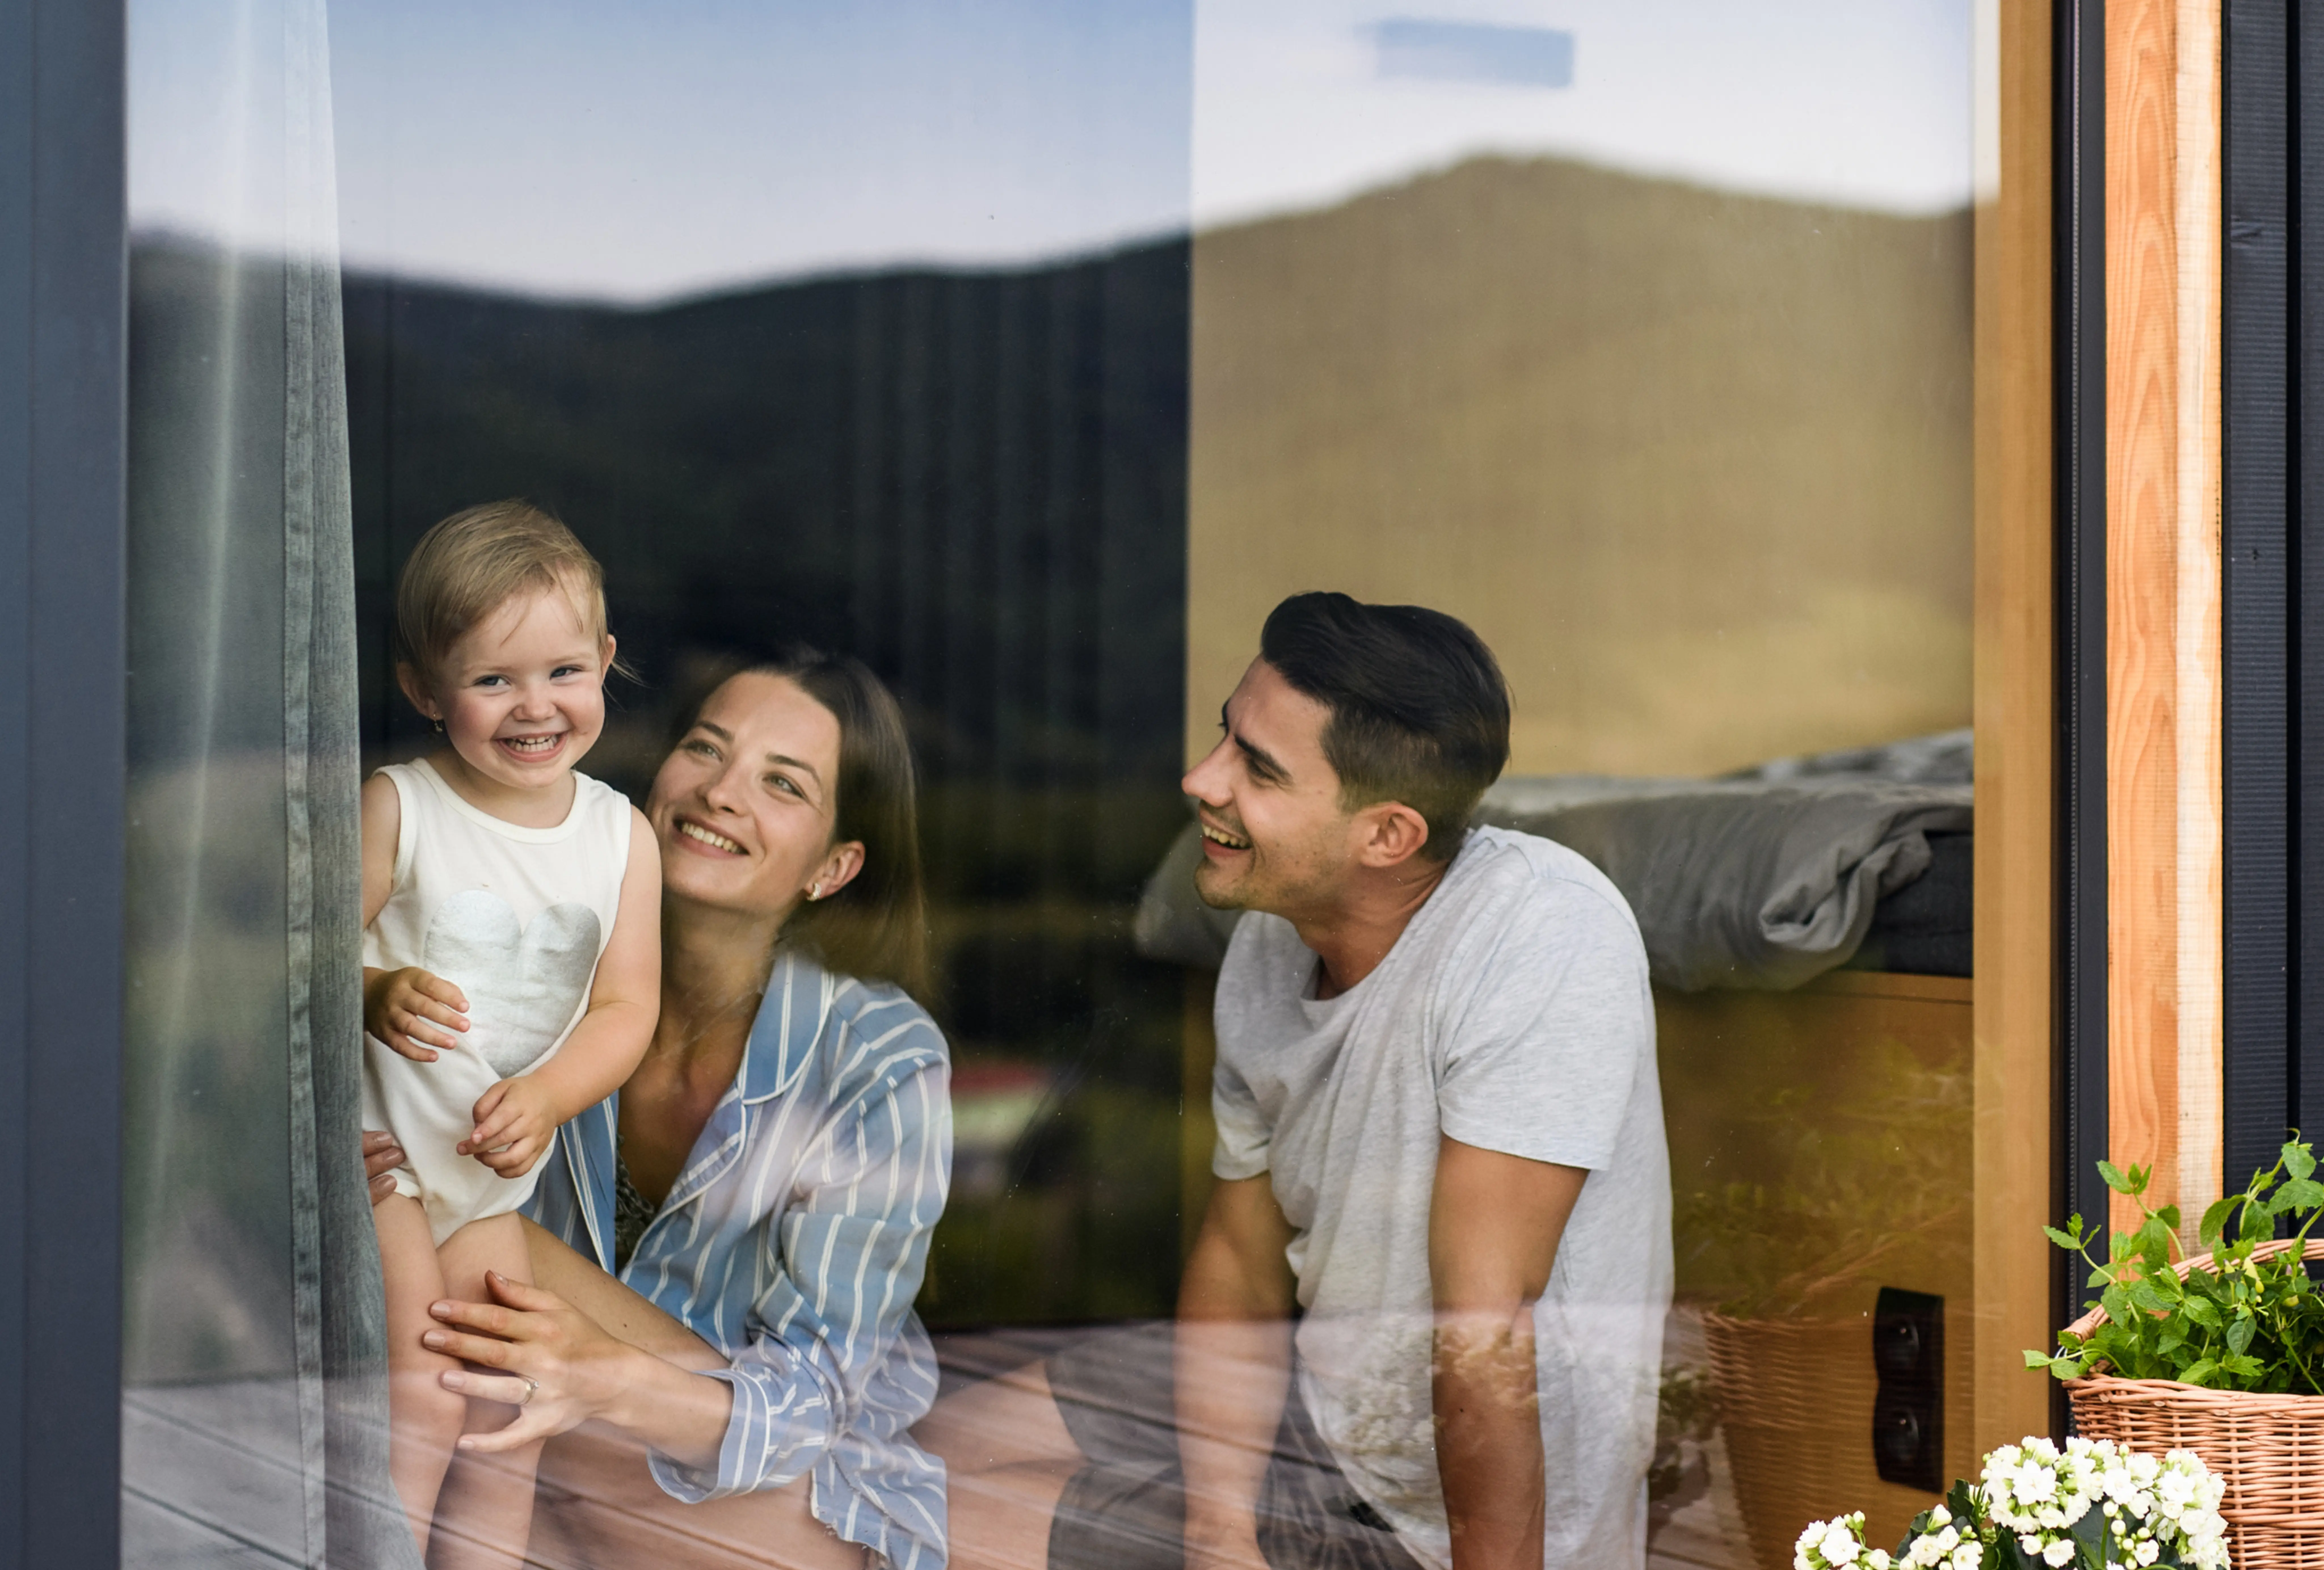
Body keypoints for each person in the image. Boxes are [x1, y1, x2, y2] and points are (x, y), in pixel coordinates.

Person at [922, 592, 1672, 1570]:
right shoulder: (1272, 943)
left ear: (1389, 835)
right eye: (1223, 736)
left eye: (1258, 769)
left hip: (1427, 1526)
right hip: (1314, 1407)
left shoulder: (1540, 934)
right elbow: (1239, 1255)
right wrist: (1218, 1529)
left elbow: (1480, 1337)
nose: (1200, 779)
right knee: (930, 1458)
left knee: (931, 1535)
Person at [369, 650, 952, 1570]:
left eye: (783, 784)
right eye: (705, 748)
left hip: (779, 1497)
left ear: (833, 867)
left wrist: (600, 1374)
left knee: (478, 1305)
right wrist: (380, 1159)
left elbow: (816, 1402)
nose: (723, 792)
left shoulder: (876, 1054)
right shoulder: (539, 960)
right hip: (531, 1439)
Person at [361, 500, 663, 1566]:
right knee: (425, 1403)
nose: (535, 706)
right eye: (494, 680)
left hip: (486, 1178)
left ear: (607, 661)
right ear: (424, 690)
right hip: (385, 1162)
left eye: (564, 672)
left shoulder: (619, 835)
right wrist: (370, 989)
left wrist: (548, 1097)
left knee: (507, 1416)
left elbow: (627, 1007)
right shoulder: (402, 806)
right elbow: (285, 971)